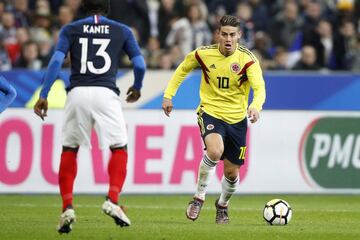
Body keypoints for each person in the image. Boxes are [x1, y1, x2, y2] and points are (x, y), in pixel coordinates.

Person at [33, 0, 146, 234]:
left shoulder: (70, 29)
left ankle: (67, 208)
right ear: (107, 8)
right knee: (119, 148)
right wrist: (137, 85)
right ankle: (112, 199)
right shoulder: (122, 30)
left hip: (77, 93)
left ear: (84, 8)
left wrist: (44, 94)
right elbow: (140, 64)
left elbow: (55, 61)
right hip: (106, 93)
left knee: (70, 149)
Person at [162, 15, 265, 224]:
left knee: (232, 173)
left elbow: (259, 88)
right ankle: (198, 197)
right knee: (215, 151)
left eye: (232, 35)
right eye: (224, 34)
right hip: (210, 111)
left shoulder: (248, 59)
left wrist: (255, 106)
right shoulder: (203, 54)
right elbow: (182, 69)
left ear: (239, 36)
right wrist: (168, 95)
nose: (228, 39)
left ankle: (222, 205)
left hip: (237, 119)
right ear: (218, 34)